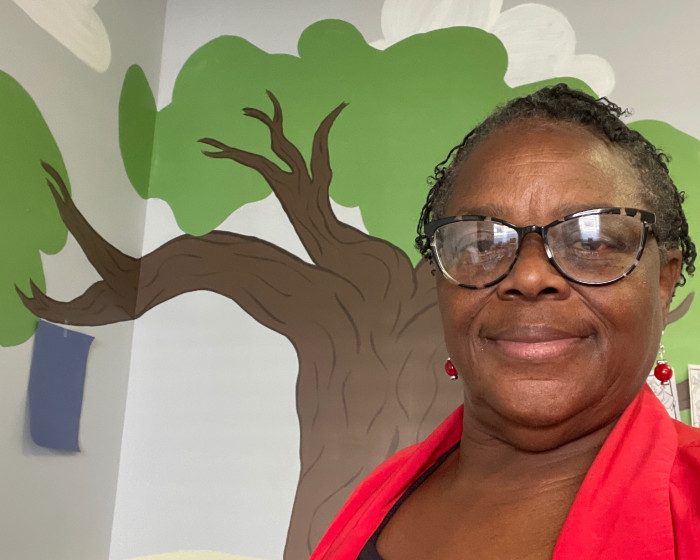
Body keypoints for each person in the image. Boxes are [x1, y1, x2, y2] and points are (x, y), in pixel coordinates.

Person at [309, 84, 700, 560]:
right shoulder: (377, 495)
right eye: (481, 244)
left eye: (591, 242)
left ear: (663, 280)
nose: (530, 276)